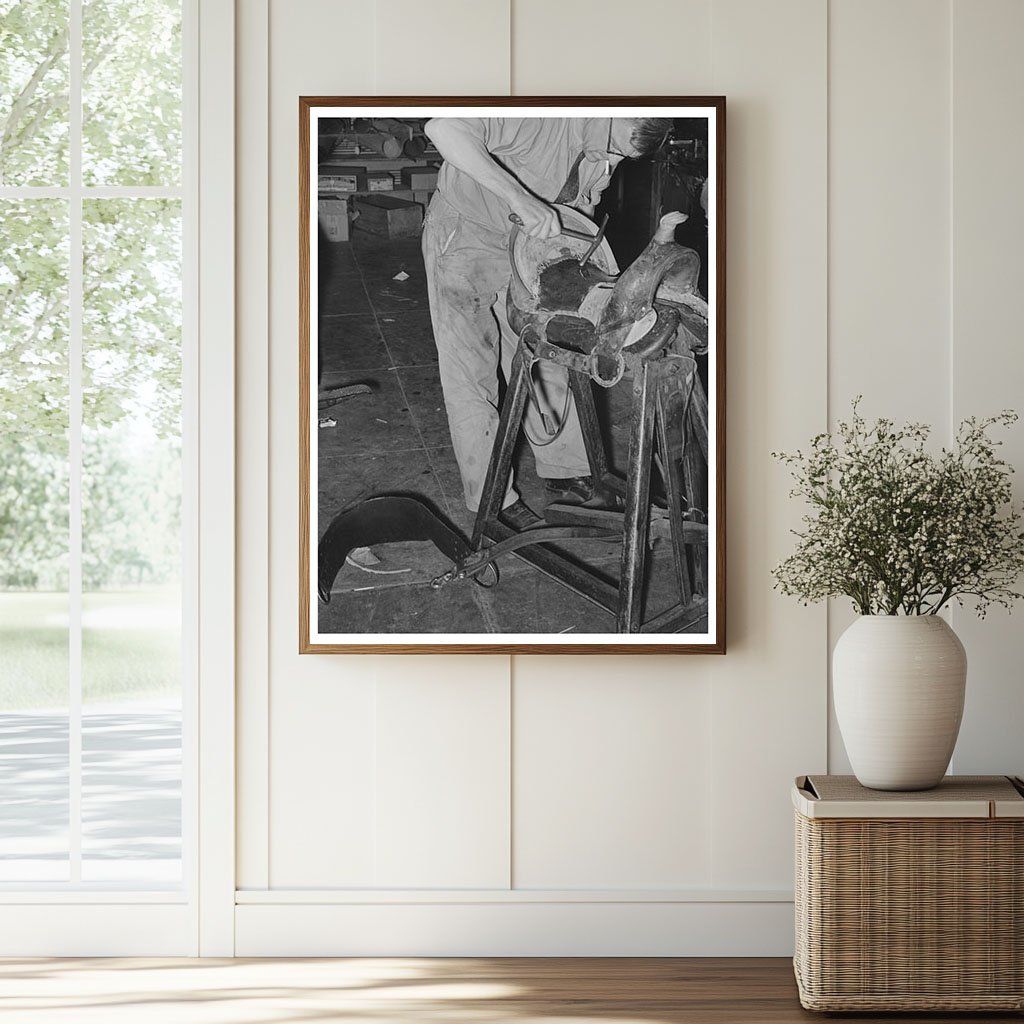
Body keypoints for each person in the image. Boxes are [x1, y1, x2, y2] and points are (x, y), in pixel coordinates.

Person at [421, 116, 673, 529]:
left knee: (547, 351)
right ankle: (492, 499)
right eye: (612, 146)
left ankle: (565, 470)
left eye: (620, 157)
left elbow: (580, 205)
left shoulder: (607, 144)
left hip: (528, 249)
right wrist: (519, 199)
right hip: (467, 236)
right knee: (472, 370)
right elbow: (443, 128)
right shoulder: (538, 112)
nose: (609, 160)